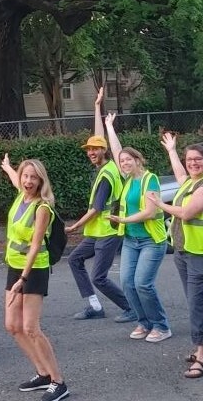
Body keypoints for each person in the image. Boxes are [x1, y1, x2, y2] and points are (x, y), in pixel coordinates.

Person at [147, 134, 203, 379]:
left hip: (202, 251)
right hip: (184, 250)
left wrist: (160, 204)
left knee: (194, 301)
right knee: (196, 299)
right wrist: (171, 150)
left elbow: (187, 213)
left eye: (198, 159)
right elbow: (181, 174)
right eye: (189, 159)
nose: (193, 163)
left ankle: (201, 355)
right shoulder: (190, 183)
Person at [0, 154, 69, 401]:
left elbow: (36, 244)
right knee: (12, 326)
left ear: (41, 181)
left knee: (30, 327)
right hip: (14, 266)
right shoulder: (21, 193)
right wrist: (8, 167)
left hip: (34, 270)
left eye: (33, 177)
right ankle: (42, 373)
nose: (28, 181)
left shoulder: (42, 207)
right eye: (25, 176)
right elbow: (15, 180)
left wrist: (24, 277)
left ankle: (58, 382)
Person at [64, 87, 132, 322]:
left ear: (104, 150)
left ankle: (131, 308)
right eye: (89, 149)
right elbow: (98, 136)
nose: (91, 152)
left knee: (99, 277)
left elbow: (95, 210)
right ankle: (94, 306)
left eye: (95, 149)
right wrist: (96, 107)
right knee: (74, 259)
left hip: (109, 232)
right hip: (98, 232)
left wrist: (74, 227)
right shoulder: (107, 166)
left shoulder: (108, 174)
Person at [105, 113, 171, 344]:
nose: (123, 163)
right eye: (122, 161)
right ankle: (144, 322)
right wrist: (109, 126)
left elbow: (151, 213)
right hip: (131, 241)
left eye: (128, 160)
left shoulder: (149, 179)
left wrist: (123, 221)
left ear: (138, 161)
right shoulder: (127, 179)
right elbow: (116, 150)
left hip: (151, 241)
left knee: (143, 283)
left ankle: (161, 325)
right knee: (127, 283)